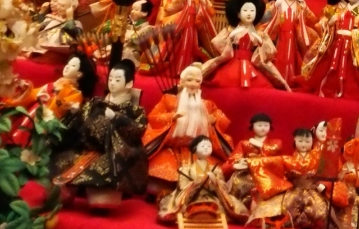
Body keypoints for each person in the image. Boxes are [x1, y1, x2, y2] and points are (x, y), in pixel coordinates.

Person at [53, 60, 148, 206]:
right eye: (110, 79)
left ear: (129, 84)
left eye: (117, 80)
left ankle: (98, 192)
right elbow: (81, 120)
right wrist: (76, 112)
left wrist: (117, 118)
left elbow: (138, 129)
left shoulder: (133, 110)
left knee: (101, 199)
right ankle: (69, 190)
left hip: (110, 154)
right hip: (85, 148)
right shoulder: (96, 102)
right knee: (60, 167)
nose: (112, 83)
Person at [142, 64, 233, 188]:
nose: (193, 84)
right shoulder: (168, 99)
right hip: (172, 149)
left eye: (197, 81)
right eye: (189, 80)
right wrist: (171, 117)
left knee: (211, 176)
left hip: (199, 152)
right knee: (161, 175)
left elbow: (223, 120)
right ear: (181, 82)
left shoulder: (207, 104)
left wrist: (214, 121)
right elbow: (153, 118)